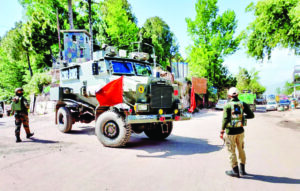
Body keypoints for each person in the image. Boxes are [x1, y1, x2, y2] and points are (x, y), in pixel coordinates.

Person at [220, 87, 254, 177]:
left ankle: (235, 171)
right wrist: (242, 117)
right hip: (240, 131)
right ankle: (242, 170)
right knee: (241, 149)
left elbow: (225, 119)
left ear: (229, 95)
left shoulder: (227, 105)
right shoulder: (243, 104)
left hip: (230, 132)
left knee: (231, 151)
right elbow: (251, 115)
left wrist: (222, 131)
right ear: (238, 94)